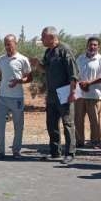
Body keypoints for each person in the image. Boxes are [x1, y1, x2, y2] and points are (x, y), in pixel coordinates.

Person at [30, 27, 78, 163]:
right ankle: (55, 152)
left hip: (64, 92)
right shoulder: (48, 52)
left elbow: (73, 73)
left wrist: (73, 92)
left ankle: (70, 153)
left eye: (43, 37)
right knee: (51, 123)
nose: (41, 39)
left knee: (67, 123)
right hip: (51, 94)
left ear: (51, 37)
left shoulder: (65, 50)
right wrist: (37, 64)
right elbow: (45, 69)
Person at [74, 37, 101, 150]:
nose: (92, 47)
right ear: (87, 45)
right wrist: (81, 84)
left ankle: (95, 142)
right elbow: (75, 74)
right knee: (78, 119)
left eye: (95, 45)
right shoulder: (80, 59)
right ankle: (79, 141)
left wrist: (88, 84)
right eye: (91, 44)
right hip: (80, 94)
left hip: (94, 94)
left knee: (94, 120)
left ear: (98, 47)